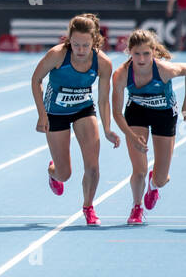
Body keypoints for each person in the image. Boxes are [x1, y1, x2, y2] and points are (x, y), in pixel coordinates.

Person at [31, 14, 121, 226]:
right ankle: (53, 172)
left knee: (93, 166)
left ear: (94, 42)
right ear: (68, 39)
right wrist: (42, 114)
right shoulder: (57, 55)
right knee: (64, 174)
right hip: (56, 112)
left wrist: (107, 129)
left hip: (83, 110)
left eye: (86, 45)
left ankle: (89, 206)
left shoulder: (103, 63)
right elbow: (36, 80)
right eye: (76, 44)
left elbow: (103, 100)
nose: (80, 50)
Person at [111, 29, 186, 225]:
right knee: (138, 169)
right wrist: (131, 137)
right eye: (137, 54)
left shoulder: (164, 70)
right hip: (137, 112)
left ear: (154, 52)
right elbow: (116, 112)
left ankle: (154, 184)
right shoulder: (121, 75)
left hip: (164, 113)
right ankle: (137, 207)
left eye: (146, 54)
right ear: (129, 52)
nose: (141, 59)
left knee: (162, 177)